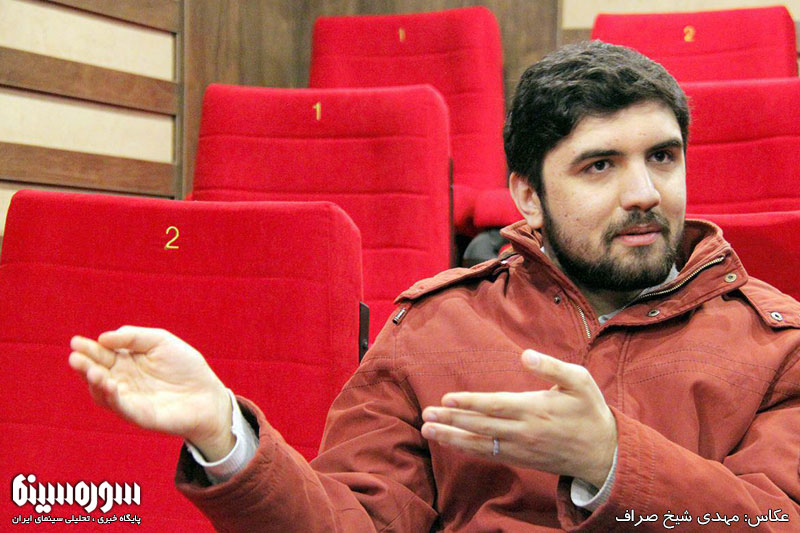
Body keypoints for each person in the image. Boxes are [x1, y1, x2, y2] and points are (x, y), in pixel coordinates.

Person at [69, 41, 800, 531]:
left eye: (663, 157)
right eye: (600, 166)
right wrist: (225, 435)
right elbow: (357, 522)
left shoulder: (777, 344)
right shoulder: (436, 325)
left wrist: (612, 462)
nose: (644, 192)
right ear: (528, 195)